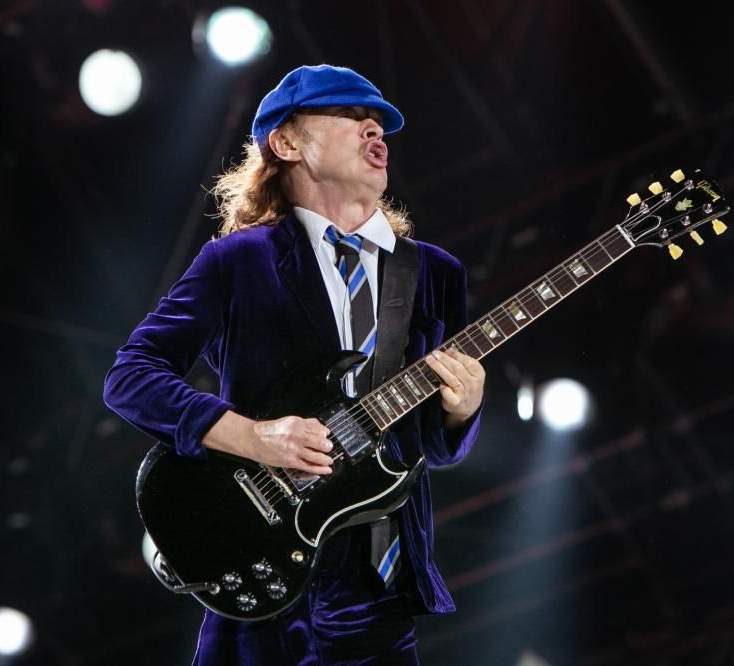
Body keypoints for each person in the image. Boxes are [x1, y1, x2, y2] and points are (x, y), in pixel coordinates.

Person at [104, 64, 485, 665]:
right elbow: (131, 376)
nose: (375, 131)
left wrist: (461, 413)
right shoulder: (238, 261)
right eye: (350, 117)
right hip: (266, 576)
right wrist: (254, 436)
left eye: (379, 123)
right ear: (286, 143)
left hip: (380, 592)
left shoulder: (434, 272)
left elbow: (427, 449)